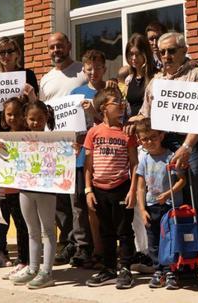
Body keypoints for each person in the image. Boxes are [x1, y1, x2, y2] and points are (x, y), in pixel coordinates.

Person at [134, 31, 198, 286]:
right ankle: (175, 264)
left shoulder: (197, 75)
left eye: (172, 51)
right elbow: (146, 116)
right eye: (161, 52)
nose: (166, 56)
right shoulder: (155, 81)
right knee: (167, 210)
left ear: (184, 50)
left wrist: (186, 146)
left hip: (191, 144)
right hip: (163, 147)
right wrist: (134, 123)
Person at [84, 87, 139, 289]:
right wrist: (88, 190)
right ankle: (108, 269)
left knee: (124, 230)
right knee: (106, 230)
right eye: (117, 102)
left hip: (121, 187)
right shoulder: (94, 132)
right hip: (99, 189)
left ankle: (125, 268)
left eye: (123, 101)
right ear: (103, 108)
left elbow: (134, 163)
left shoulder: (127, 132)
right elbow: (88, 166)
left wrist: (133, 189)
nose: (122, 104)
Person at [39, 32, 86, 264]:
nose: (56, 50)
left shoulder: (82, 71)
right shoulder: (46, 79)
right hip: (54, 146)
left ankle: (82, 246)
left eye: (60, 46)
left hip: (78, 144)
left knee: (77, 200)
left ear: (68, 45)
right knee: (60, 200)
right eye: (52, 47)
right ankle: (67, 243)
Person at [7, 100, 59, 289]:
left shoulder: (56, 141)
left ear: (46, 118)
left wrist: (71, 152)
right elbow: (7, 159)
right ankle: (33, 268)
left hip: (46, 191)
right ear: (25, 119)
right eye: (31, 119)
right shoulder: (19, 140)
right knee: (32, 231)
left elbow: (63, 161)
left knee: (48, 230)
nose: (36, 122)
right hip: (25, 190)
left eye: (39, 119)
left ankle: (47, 272)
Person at [68, 49, 110, 268]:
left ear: (104, 68)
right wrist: (71, 141)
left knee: (101, 203)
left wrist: (94, 111)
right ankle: (82, 247)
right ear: (83, 70)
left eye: (98, 67)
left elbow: (114, 122)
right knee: (79, 205)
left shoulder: (111, 90)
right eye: (89, 68)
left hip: (104, 157)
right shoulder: (75, 92)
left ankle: (103, 247)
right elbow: (65, 122)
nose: (94, 72)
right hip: (80, 156)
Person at [134, 118, 185, 290]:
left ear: (161, 136)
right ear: (140, 141)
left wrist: (168, 194)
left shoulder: (171, 156)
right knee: (153, 240)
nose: (149, 142)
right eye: (145, 139)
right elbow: (140, 188)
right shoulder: (144, 160)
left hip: (170, 207)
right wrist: (142, 209)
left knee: (170, 239)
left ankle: (171, 271)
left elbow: (182, 180)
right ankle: (158, 270)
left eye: (153, 137)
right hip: (151, 206)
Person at [0, 97, 30, 279]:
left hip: (28, 189)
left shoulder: (31, 135)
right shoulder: (1, 139)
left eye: (16, 114)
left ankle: (27, 262)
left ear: (24, 115)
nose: (12, 118)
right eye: (9, 114)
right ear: (4, 116)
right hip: (11, 189)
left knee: (26, 226)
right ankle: (23, 261)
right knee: (18, 224)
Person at [123, 34, 156, 117]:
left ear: (145, 54)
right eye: (131, 54)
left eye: (137, 54)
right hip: (131, 126)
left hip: (148, 126)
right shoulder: (129, 79)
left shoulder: (156, 77)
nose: (134, 58)